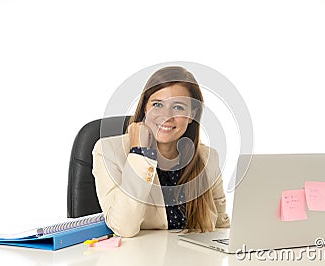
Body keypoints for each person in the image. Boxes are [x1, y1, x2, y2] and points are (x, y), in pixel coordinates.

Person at [92, 66, 230, 237]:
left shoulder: (208, 157)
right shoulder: (108, 151)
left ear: (192, 113)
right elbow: (124, 227)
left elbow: (222, 227)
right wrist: (140, 154)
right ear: (144, 108)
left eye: (178, 107)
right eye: (157, 104)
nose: (166, 116)